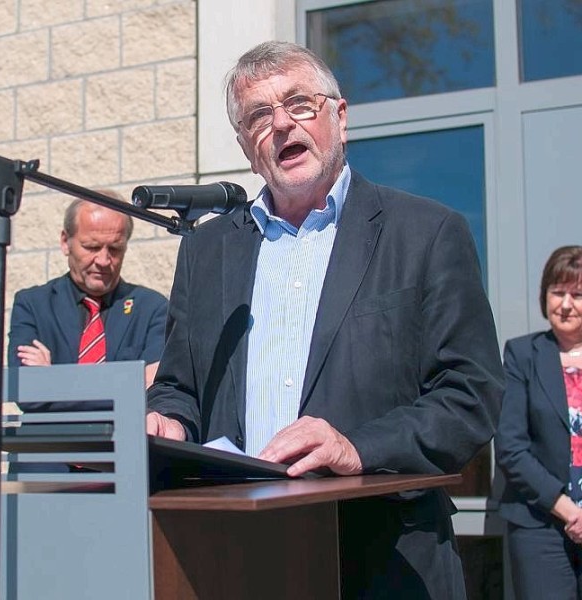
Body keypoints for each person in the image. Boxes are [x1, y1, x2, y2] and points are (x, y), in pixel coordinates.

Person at [146, 41, 503, 598]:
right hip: (232, 553)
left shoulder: (426, 233)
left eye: (299, 104)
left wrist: (356, 447)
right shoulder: (207, 250)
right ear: (245, 145)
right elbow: (178, 385)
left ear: (339, 116)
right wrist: (166, 421)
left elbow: (470, 395)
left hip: (384, 555)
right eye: (258, 116)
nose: (282, 125)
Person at [7, 196, 168, 388]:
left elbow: (156, 388)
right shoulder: (33, 305)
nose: (103, 260)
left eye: (115, 248)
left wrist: (52, 379)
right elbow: (27, 390)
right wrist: (129, 381)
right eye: (92, 247)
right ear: (66, 242)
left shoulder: (152, 309)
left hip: (126, 420)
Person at [495, 245, 582, 598]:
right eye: (557, 292)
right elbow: (511, 447)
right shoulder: (522, 355)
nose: (565, 304)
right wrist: (569, 511)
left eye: (577, 294)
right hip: (541, 527)